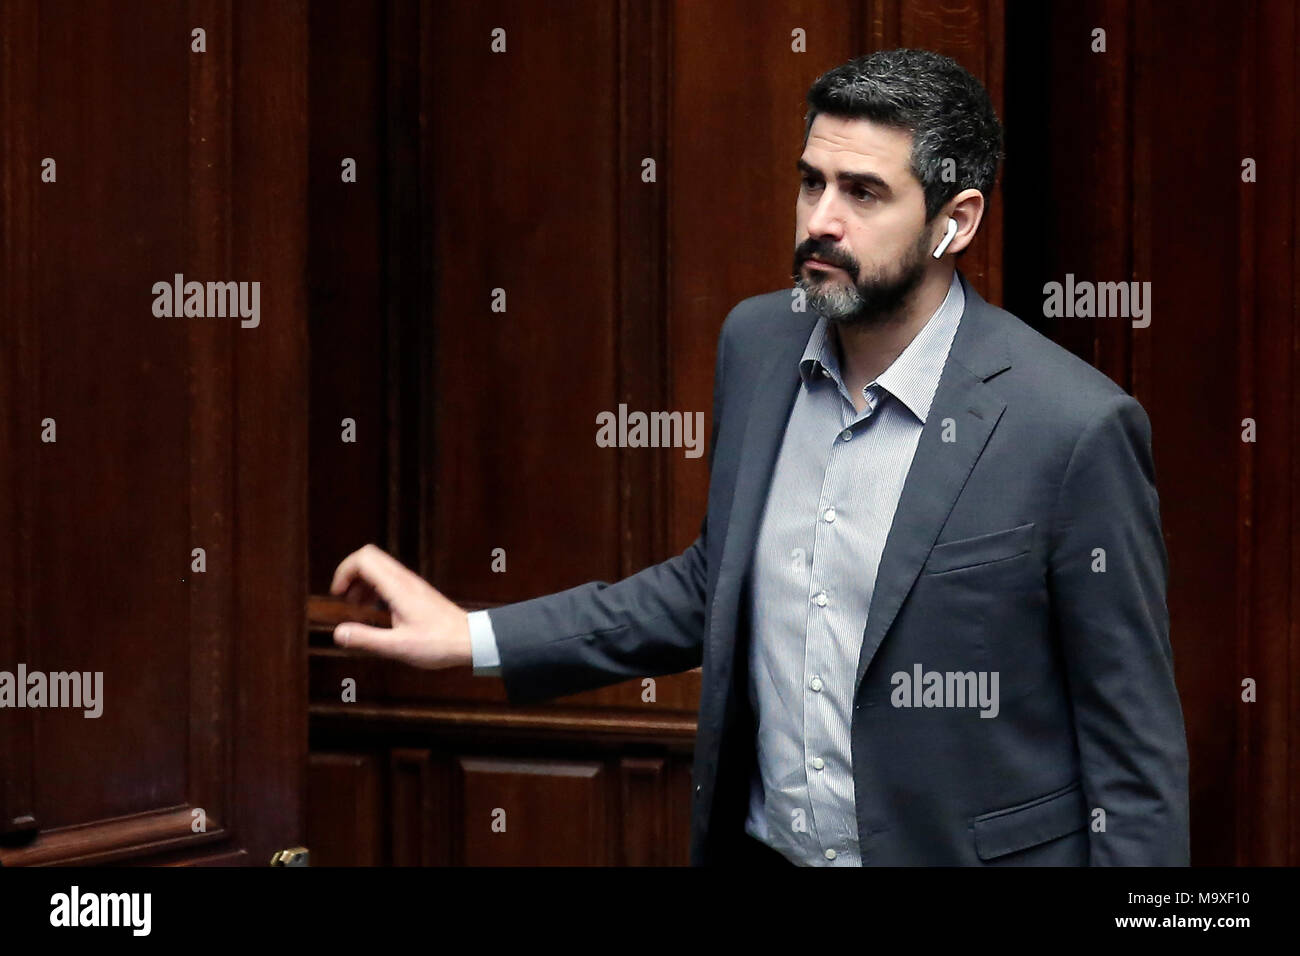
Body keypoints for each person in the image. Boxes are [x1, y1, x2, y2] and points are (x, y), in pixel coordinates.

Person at [331, 48, 1190, 867]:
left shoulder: (1071, 425)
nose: (821, 219)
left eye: (863, 192)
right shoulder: (759, 343)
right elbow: (717, 585)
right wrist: (471, 637)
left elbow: (1134, 750)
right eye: (811, 181)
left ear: (952, 223)